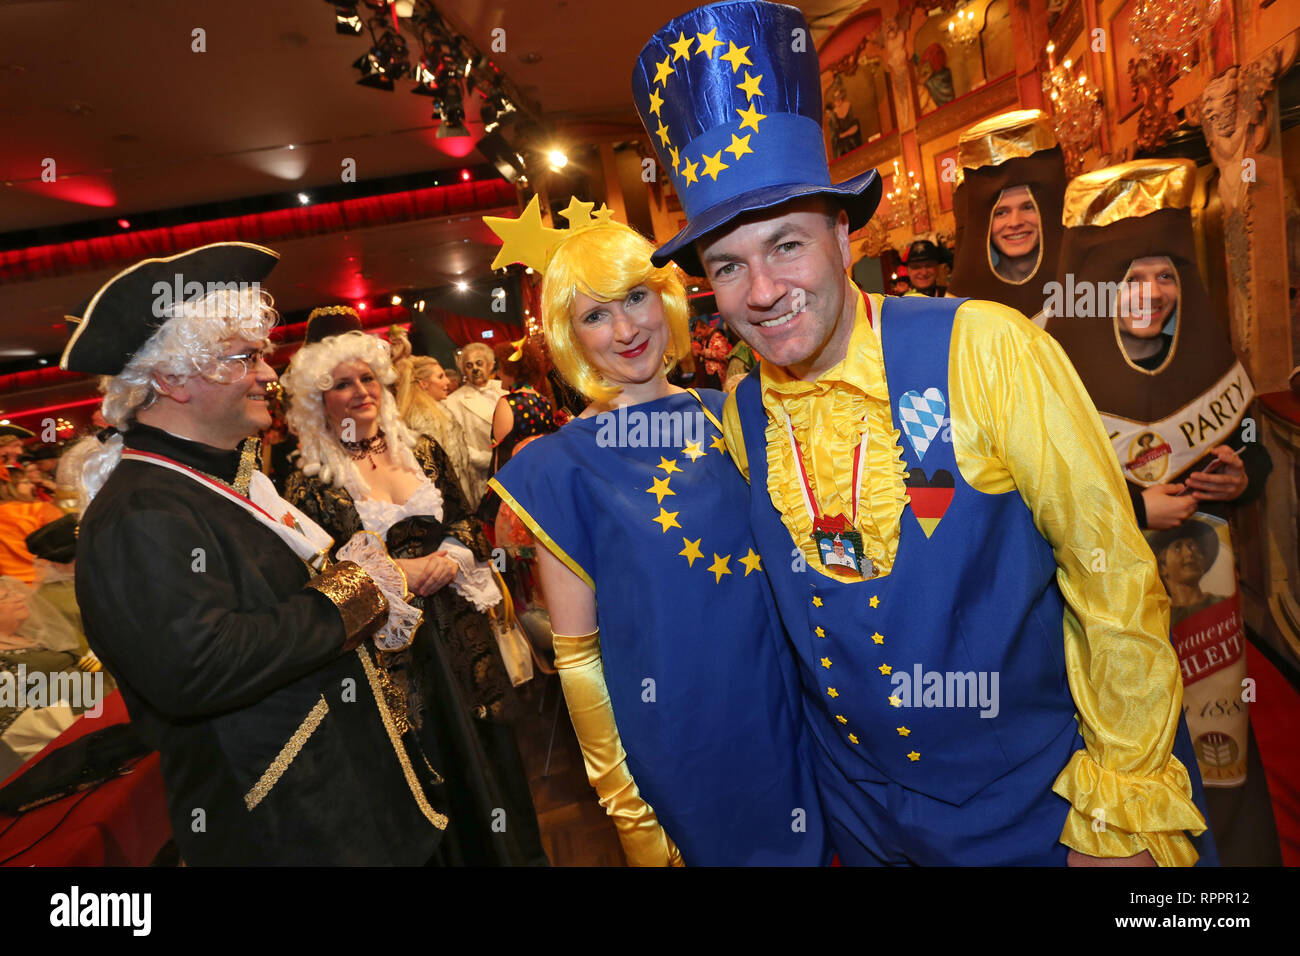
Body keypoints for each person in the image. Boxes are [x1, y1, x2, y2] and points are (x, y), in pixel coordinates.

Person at [633, 0, 1210, 866]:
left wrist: (1119, 809)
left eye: (785, 245)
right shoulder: (742, 412)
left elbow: (1113, 574)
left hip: (1034, 807)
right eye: (727, 265)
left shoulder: (987, 347)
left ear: (840, 230)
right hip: (862, 823)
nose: (759, 291)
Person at [62, 241, 452, 865]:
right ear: (170, 379)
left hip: (333, 803)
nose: (268, 374)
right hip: (285, 830)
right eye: (244, 357)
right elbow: (199, 667)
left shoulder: (217, 478)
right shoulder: (142, 510)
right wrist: (358, 591)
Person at [485, 196, 828, 866]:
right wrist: (626, 808)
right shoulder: (557, 470)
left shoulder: (739, 416)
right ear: (569, 334)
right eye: (594, 314)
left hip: (797, 725)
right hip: (678, 752)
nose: (623, 329)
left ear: (666, 297)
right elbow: (578, 657)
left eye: (635, 297)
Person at [1047, 158, 1280, 864]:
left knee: (1219, 749)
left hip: (1207, 618)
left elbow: (1254, 455)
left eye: (1165, 276)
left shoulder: (1207, 364)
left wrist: (1242, 474)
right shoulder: (1058, 377)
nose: (1151, 293)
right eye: (1132, 279)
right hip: (1108, 616)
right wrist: (1138, 507)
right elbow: (1041, 501)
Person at [280, 314, 546, 866]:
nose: (360, 393)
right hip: (392, 659)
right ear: (316, 398)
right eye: (342, 384)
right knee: (433, 771)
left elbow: (470, 519)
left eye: (367, 379)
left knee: (492, 759)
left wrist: (450, 555)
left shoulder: (421, 451)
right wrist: (398, 576)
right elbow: (318, 582)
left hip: (463, 638)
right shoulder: (311, 485)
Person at [947, 110, 1066, 325]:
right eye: (1001, 212)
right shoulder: (964, 309)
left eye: (1028, 207)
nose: (1015, 222)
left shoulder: (1084, 285)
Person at [394, 349, 476, 506]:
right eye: (440, 377)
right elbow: (446, 469)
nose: (447, 382)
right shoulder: (427, 419)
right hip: (447, 504)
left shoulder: (425, 413)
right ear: (423, 383)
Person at [443, 341, 505, 509]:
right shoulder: (453, 402)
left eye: (479, 363)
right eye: (469, 366)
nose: (475, 369)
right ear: (463, 371)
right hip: (486, 476)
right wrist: (493, 460)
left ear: (491, 365)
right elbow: (460, 446)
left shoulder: (504, 388)